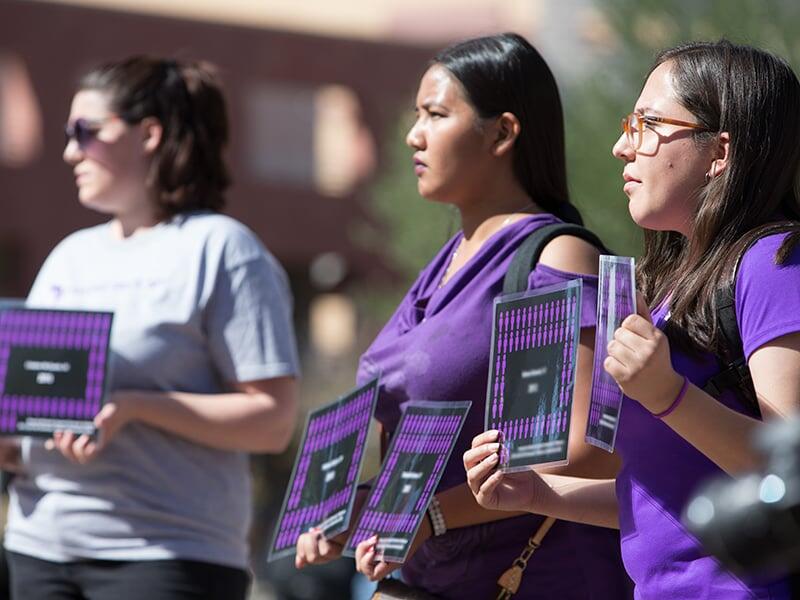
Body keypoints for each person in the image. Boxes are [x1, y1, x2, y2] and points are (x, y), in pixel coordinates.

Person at [296, 33, 632, 599]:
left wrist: (431, 516)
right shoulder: (445, 262)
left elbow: (585, 454)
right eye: (416, 115)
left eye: (435, 114)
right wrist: (355, 512)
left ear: (502, 132)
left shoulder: (554, 258)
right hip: (431, 583)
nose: (413, 135)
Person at [466, 39, 800, 599]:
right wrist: (538, 492)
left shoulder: (773, 263)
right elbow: (661, 500)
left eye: (647, 123)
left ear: (720, 151)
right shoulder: (674, 286)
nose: (623, 146)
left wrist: (667, 394)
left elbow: (788, 470)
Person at [3, 56, 300, 600]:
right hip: (38, 547)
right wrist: (10, 440)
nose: (70, 150)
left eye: (85, 132)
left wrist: (135, 408)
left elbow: (273, 421)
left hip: (169, 557)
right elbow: (34, 403)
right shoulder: (70, 257)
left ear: (149, 134)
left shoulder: (221, 249)